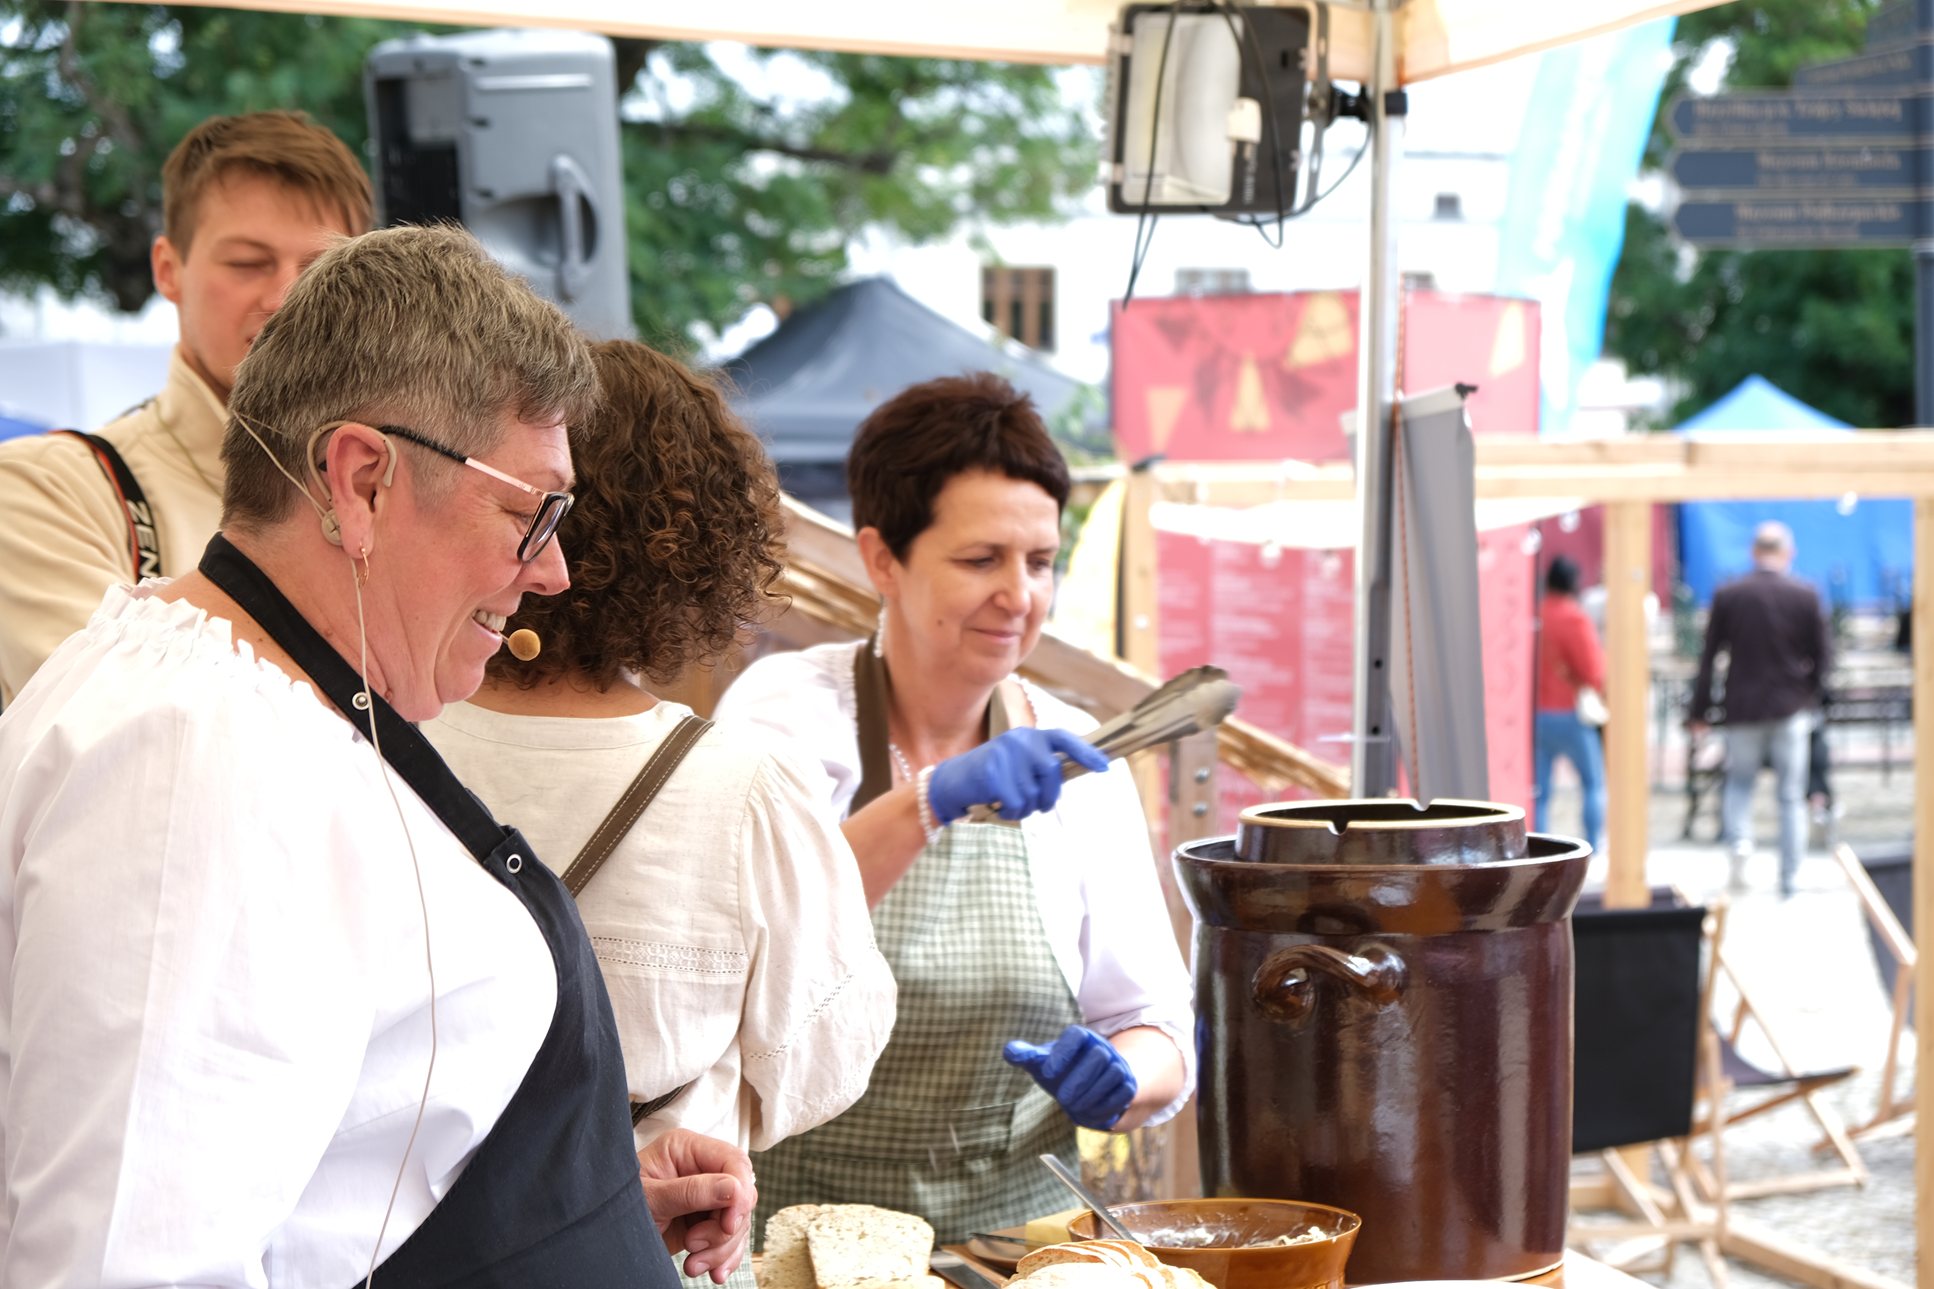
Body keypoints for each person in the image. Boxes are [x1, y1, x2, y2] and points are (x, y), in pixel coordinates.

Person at [0, 225, 751, 1285]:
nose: (553, 572)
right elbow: (125, 1259)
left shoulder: (264, 712)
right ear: (360, 481)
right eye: (531, 511)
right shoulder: (191, 760)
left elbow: (323, 1162)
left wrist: (574, 1195)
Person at [424, 339, 897, 1284]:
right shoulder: (748, 788)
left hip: (432, 1252)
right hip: (656, 1249)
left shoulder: (387, 745)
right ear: (698, 543)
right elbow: (824, 1064)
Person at [714, 372, 1194, 1243]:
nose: (1020, 595)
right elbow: (750, 949)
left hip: (1023, 1251)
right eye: (981, 560)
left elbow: (1157, 1023)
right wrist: (930, 800)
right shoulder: (786, 713)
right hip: (806, 1250)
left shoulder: (1077, 758)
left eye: (1040, 562)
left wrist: (1122, 1073)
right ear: (881, 559)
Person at [0, 110, 372, 705]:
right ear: (167, 270)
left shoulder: (402, 484)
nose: (286, 298)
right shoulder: (49, 491)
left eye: (322, 271)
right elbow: (125, 728)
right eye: (247, 263)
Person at [1689, 521, 1832, 897]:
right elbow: (1824, 657)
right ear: (1788, 553)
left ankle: (1740, 844)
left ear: (1754, 552)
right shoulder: (1805, 594)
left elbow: (1709, 657)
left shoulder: (1730, 594)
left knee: (1739, 784)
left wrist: (1699, 710)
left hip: (1742, 707)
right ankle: (1791, 875)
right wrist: (1812, 695)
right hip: (1790, 708)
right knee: (1791, 795)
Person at [1533, 555, 1607, 853]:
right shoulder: (1574, 617)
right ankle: (1593, 846)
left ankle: (1536, 850)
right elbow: (1593, 671)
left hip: (1537, 712)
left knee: (1539, 792)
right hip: (1570, 710)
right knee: (1592, 783)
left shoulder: (1535, 614)